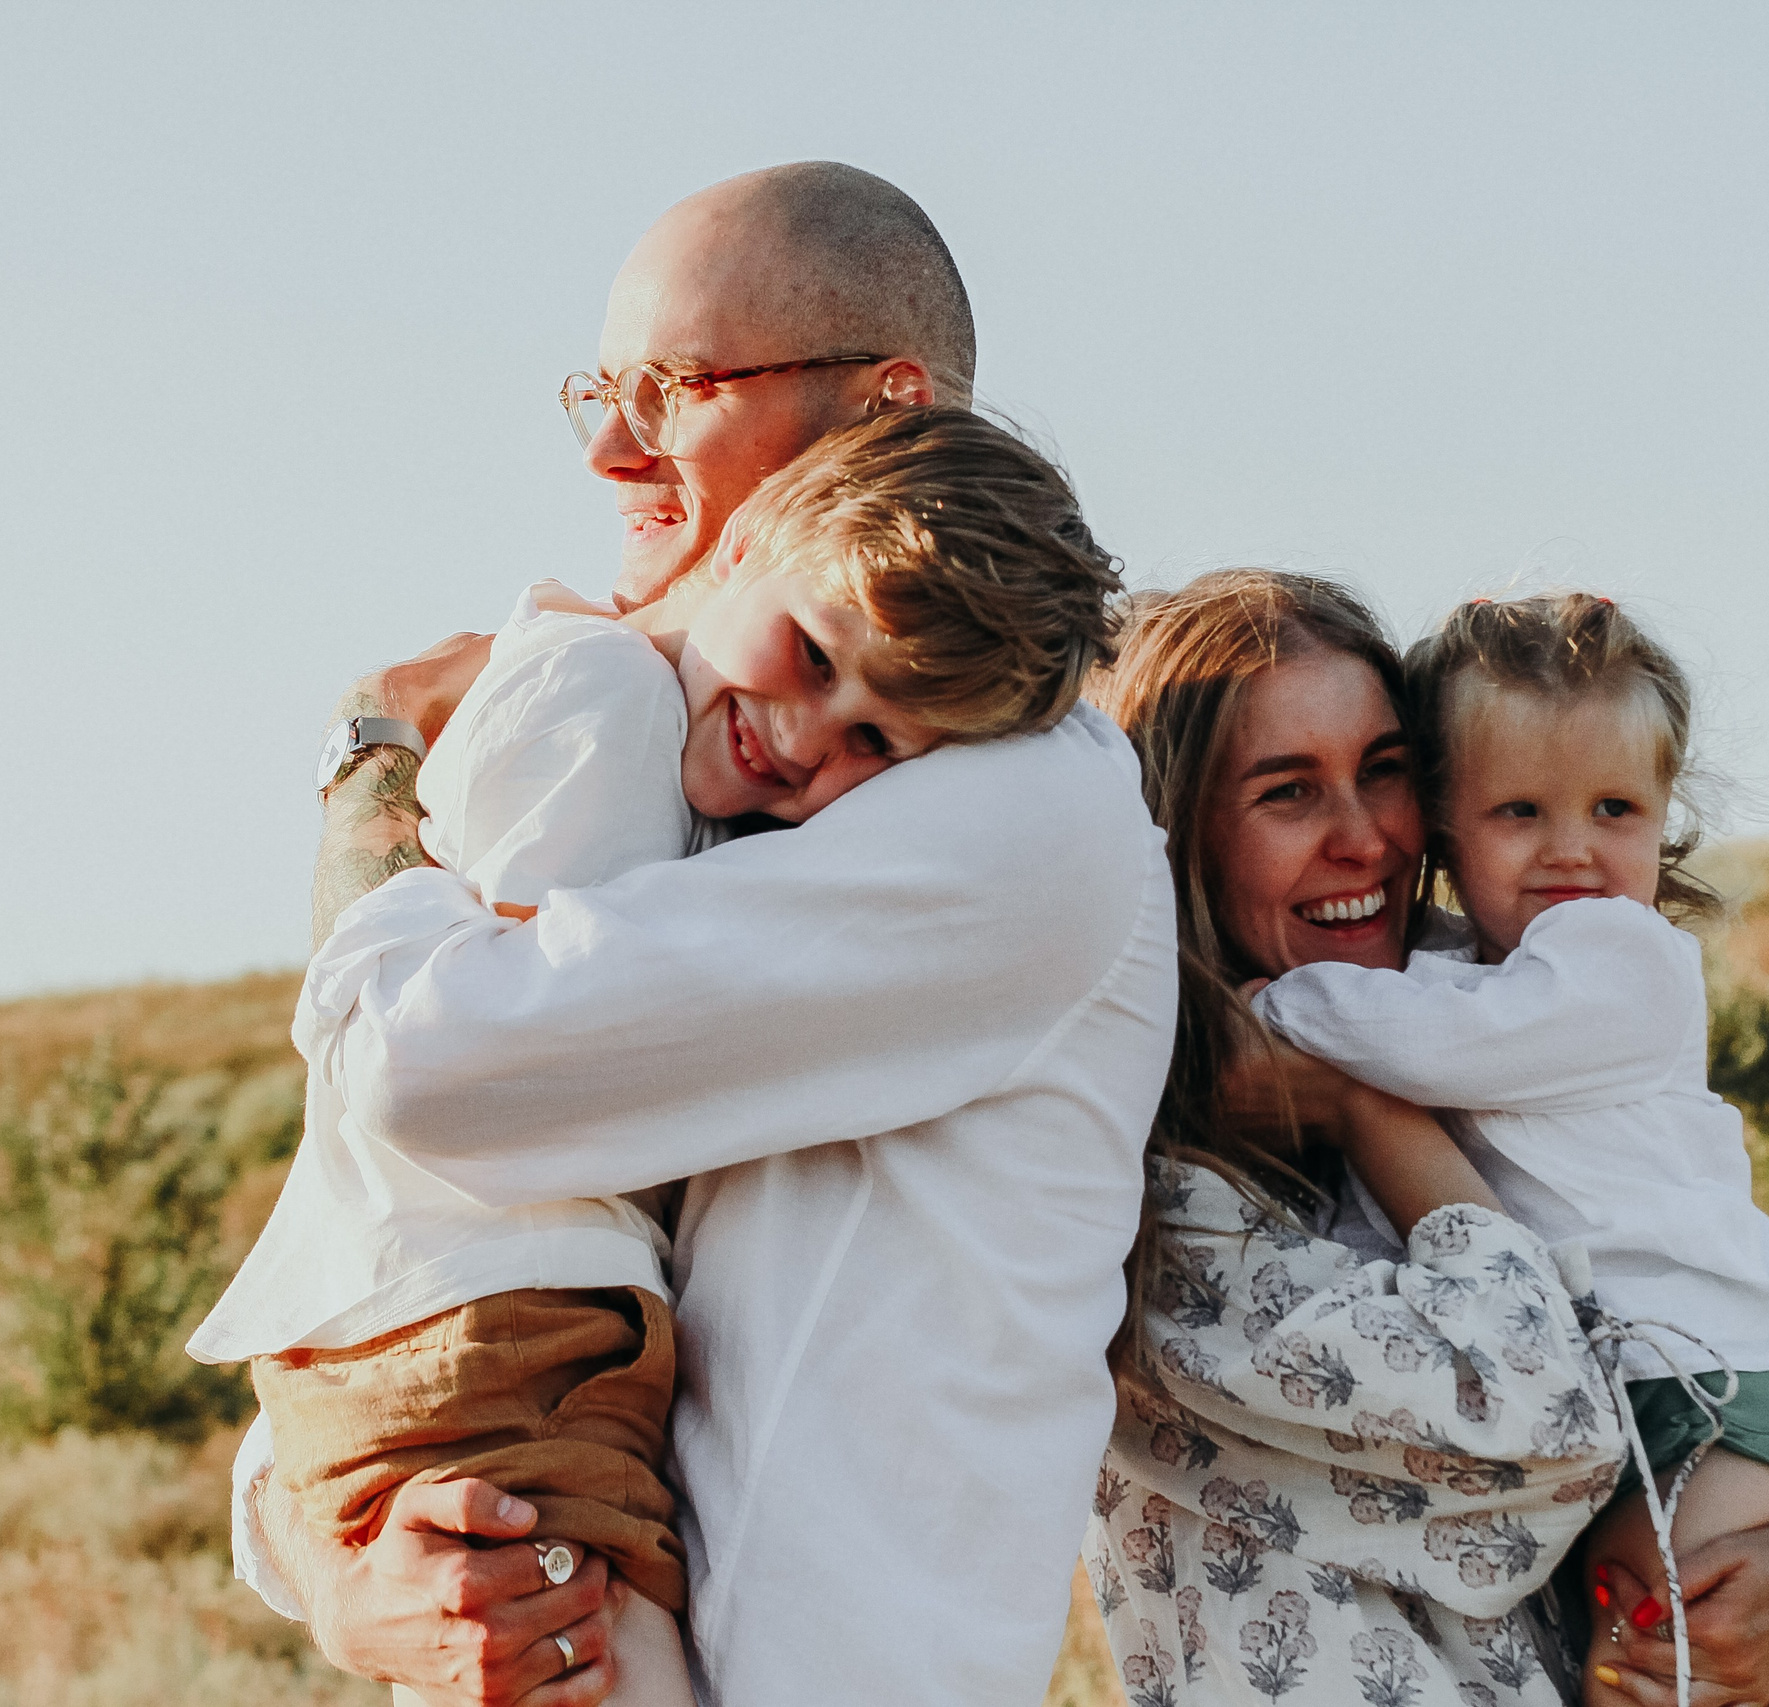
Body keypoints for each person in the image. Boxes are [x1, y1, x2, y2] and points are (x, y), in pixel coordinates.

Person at [235, 162, 1178, 1707]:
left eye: (676, 387)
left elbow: (422, 1070)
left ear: (883, 408)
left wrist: (369, 755)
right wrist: (342, 1564)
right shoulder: (701, 766)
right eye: (602, 387)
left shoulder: (1021, 802)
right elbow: (438, 1230)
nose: (614, 445)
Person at [1084, 570, 1769, 1707]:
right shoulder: (1156, 1218)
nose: (1365, 837)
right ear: (1176, 837)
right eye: (1287, 793)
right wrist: (1374, 1115)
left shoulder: (1488, 1030)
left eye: (1386, 773)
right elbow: (1548, 1416)